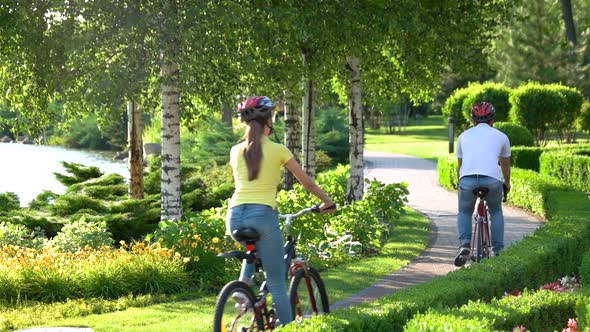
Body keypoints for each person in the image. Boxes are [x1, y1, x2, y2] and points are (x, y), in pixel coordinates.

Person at [226, 96, 336, 325]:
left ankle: (244, 284)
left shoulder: (235, 150)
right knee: (277, 284)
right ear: (269, 121)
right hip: (262, 216)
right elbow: (308, 183)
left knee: (252, 250)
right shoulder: (278, 149)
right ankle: (284, 327)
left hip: (235, 217)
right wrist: (328, 202)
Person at [454, 101, 511, 267]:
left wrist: (459, 183)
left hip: (467, 180)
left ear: (472, 121)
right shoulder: (502, 136)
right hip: (492, 180)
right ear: (492, 120)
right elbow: (505, 165)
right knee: (495, 211)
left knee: (464, 211)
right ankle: (498, 249)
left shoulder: (463, 136)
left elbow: (460, 166)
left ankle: (465, 244)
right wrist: (506, 183)